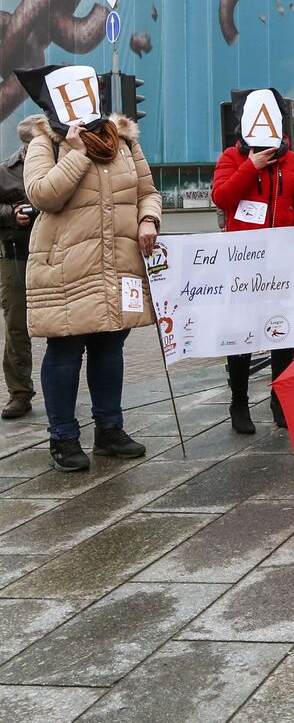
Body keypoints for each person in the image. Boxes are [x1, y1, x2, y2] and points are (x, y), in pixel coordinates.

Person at [16, 64, 161, 472]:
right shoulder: (45, 140)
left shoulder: (124, 141)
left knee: (109, 347)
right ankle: (63, 436)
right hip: (66, 266)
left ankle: (110, 430)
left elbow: (147, 192)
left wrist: (149, 220)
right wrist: (77, 152)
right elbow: (44, 194)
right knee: (64, 350)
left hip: (117, 264)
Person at [211, 87, 294, 433]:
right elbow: (222, 197)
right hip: (241, 264)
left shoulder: (291, 161)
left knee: (281, 333)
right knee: (241, 335)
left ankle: (279, 401)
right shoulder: (231, 157)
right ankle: (238, 403)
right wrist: (250, 167)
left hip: (280, 263)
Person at [0, 117, 36, 419]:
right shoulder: (5, 171)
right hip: (15, 256)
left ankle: (66, 389)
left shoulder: (62, 165)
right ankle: (20, 393)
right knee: (17, 326)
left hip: (57, 255)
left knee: (66, 328)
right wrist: (12, 213)